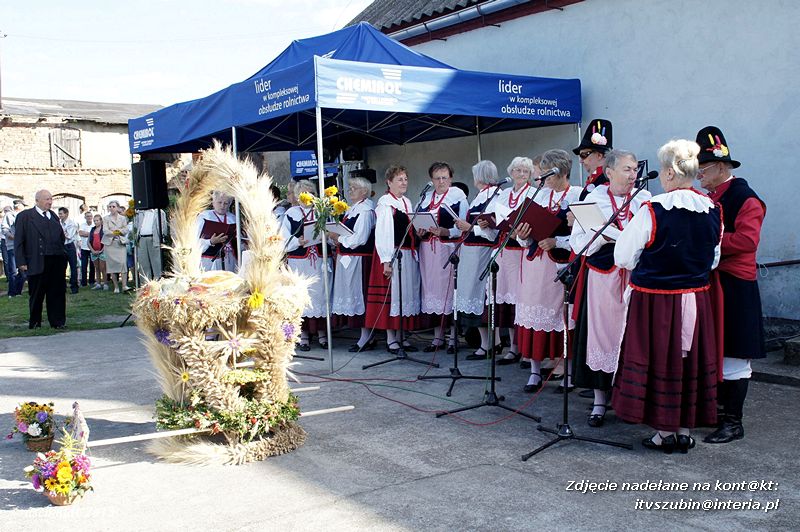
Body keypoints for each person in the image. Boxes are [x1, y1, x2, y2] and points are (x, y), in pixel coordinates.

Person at [612, 139, 722, 454]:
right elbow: (712, 258)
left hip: (655, 301)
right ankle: (684, 430)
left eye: (662, 170)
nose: (660, 176)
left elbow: (623, 256)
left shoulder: (653, 210)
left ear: (671, 173)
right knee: (686, 362)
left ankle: (664, 432)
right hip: (695, 299)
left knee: (660, 360)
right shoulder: (712, 210)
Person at [570, 150, 652, 426]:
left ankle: (631, 399)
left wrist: (619, 238)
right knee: (601, 336)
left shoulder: (645, 199)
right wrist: (603, 239)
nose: (633, 175)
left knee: (632, 336)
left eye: (635, 169)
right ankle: (599, 401)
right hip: (603, 276)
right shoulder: (592, 200)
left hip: (636, 277)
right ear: (610, 172)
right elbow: (578, 243)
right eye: (627, 169)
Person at [696, 126, 766, 444]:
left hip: (735, 285)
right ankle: (716, 412)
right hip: (712, 282)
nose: (698, 175)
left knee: (735, 353)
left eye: (703, 169)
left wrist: (707, 238)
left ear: (722, 167)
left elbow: (748, 240)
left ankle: (733, 422)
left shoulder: (746, 198)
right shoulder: (708, 198)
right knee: (716, 350)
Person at [513, 149, 583, 393]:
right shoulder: (540, 196)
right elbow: (525, 234)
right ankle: (534, 371)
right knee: (533, 314)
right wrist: (522, 236)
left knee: (561, 317)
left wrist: (557, 241)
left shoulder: (578, 194)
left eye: (546, 174)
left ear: (561, 171)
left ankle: (568, 372)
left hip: (559, 266)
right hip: (535, 265)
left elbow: (582, 235)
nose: (542, 179)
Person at [474, 157, 535, 361]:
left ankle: (520, 348)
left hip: (520, 253)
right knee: (504, 301)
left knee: (518, 299)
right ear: (510, 172)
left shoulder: (533, 193)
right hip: (501, 251)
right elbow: (496, 226)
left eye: (525, 171)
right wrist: (487, 226)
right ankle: (511, 347)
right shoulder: (504, 194)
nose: (520, 174)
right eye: (517, 170)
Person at [364, 165, 423, 353]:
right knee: (393, 296)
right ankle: (391, 339)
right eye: (399, 179)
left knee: (404, 295)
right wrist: (386, 260)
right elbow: (384, 233)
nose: (404, 182)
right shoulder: (385, 203)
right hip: (392, 253)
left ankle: (401, 336)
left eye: (405, 179)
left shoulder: (406, 202)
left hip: (407, 254)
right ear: (389, 182)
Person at [416, 162, 468, 352]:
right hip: (428, 250)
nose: (441, 181)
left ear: (451, 178)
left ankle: (453, 337)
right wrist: (419, 230)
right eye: (437, 178)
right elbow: (417, 220)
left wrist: (446, 231)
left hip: (447, 250)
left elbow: (463, 225)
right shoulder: (426, 198)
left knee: (448, 292)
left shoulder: (458, 196)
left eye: (444, 177)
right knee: (432, 292)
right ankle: (438, 337)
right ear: (431, 180)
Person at [453, 160, 503, 357]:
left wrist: (470, 228)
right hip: (471, 253)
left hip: (482, 253)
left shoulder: (495, 198)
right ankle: (490, 342)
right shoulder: (480, 197)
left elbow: (494, 232)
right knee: (474, 298)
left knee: (482, 298)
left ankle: (489, 343)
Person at [280, 180, 333, 350]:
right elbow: (283, 239)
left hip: (319, 260)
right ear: (296, 196)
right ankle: (303, 334)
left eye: (310, 192)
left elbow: (332, 235)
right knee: (302, 295)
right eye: (303, 193)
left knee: (321, 294)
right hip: (300, 261)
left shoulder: (323, 211)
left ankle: (322, 333)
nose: (306, 196)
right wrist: (298, 241)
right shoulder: (291, 213)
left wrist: (329, 237)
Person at [329, 177, 376, 352]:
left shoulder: (365, 210)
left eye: (354, 188)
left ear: (364, 191)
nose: (350, 191)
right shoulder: (353, 209)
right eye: (349, 188)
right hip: (349, 258)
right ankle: (364, 335)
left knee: (360, 297)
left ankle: (366, 336)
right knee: (354, 297)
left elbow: (360, 238)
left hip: (359, 259)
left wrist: (338, 237)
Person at [13, 189, 68, 329]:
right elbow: (18, 241)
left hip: (56, 260)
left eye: (51, 199)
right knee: (37, 293)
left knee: (56, 292)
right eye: (46, 199)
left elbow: (61, 237)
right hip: (37, 261)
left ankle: (57, 321)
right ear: (37, 200)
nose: (50, 202)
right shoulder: (25, 216)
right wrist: (21, 262)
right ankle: (35, 322)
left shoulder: (54, 216)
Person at [573, 118, 614, 201]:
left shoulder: (609, 179)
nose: (581, 161)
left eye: (584, 155)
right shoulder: (596, 178)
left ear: (599, 155)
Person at [197, 190, 238, 272]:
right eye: (219, 202)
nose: (222, 206)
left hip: (229, 260)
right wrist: (210, 242)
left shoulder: (233, 218)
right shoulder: (205, 216)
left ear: (230, 204)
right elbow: (195, 241)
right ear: (213, 202)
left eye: (226, 203)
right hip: (209, 260)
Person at [102, 200, 129, 293]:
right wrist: (115, 232)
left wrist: (118, 231)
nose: (112, 208)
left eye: (113, 206)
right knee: (112, 266)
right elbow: (105, 230)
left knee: (123, 264)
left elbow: (126, 229)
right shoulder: (105, 218)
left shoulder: (123, 218)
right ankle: (116, 287)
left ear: (117, 208)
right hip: (110, 244)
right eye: (110, 207)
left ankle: (125, 285)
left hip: (120, 243)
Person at [2, 199, 27, 297]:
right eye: (23, 205)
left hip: (22, 246)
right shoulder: (9, 215)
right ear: (19, 205)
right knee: (13, 271)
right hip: (12, 246)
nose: (24, 207)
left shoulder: (24, 216)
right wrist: (11, 236)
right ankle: (12, 293)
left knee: (23, 271)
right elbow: (4, 228)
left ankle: (18, 291)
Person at [135, 208, 167, 281]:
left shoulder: (160, 212)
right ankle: (145, 284)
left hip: (154, 238)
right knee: (143, 263)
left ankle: (158, 282)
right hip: (142, 238)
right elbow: (136, 225)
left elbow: (163, 226)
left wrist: (162, 238)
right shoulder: (140, 212)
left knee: (156, 262)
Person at [57, 207, 80, 294]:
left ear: (66, 214)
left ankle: (74, 287)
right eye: (59, 214)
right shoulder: (59, 223)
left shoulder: (71, 223)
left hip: (70, 246)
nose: (60, 215)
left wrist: (61, 233)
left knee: (73, 266)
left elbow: (69, 235)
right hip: (62, 246)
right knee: (62, 267)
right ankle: (62, 286)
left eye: (61, 214)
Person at [88, 214, 107, 290]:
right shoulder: (92, 230)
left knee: (103, 268)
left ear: (101, 221)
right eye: (94, 221)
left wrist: (102, 250)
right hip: (94, 252)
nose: (95, 222)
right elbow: (89, 241)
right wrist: (92, 250)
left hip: (102, 251)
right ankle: (98, 283)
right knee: (97, 268)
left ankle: (105, 283)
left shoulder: (103, 229)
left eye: (97, 220)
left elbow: (106, 240)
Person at [78, 210, 96, 287]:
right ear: (85, 217)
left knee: (93, 266)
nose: (89, 217)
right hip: (84, 247)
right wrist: (91, 234)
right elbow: (80, 233)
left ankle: (92, 281)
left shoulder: (94, 225)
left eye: (90, 216)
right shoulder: (82, 225)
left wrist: (87, 234)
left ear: (92, 217)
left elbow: (95, 235)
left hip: (92, 248)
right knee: (84, 266)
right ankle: (84, 282)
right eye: (87, 216)